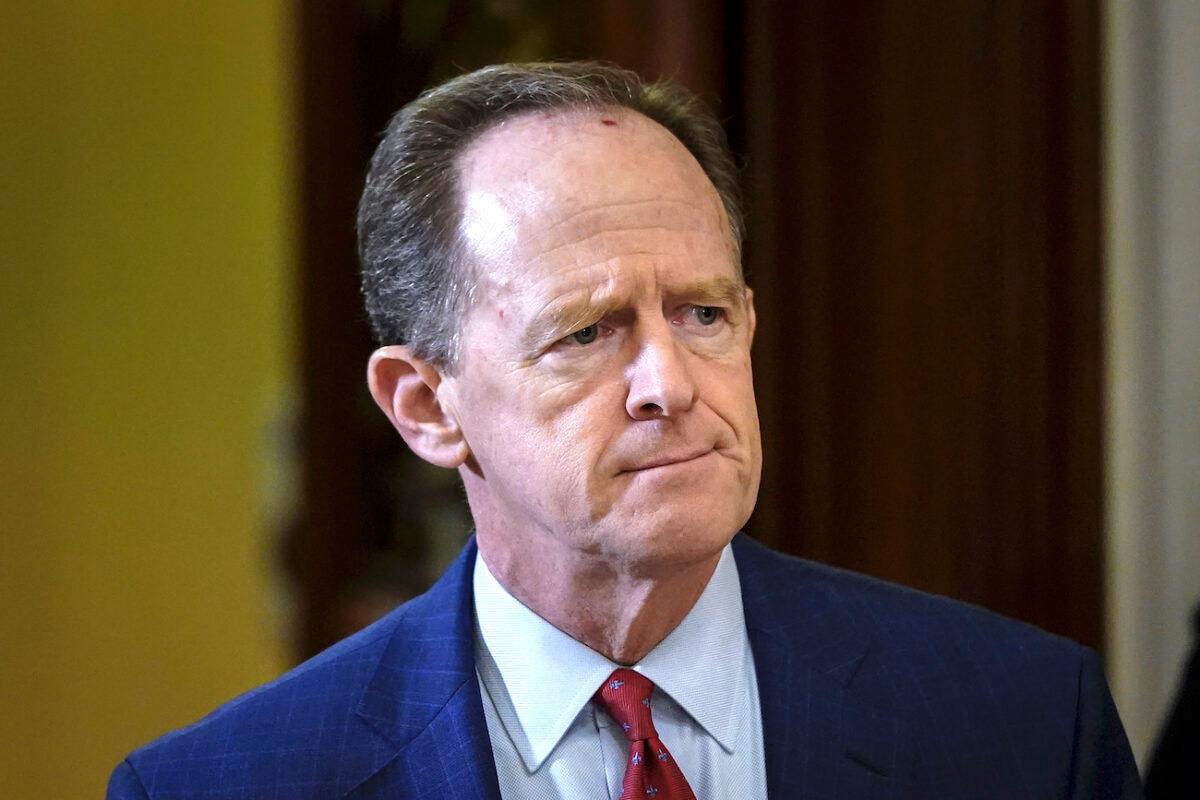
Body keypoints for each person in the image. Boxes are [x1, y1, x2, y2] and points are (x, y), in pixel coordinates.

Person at [108, 61, 1142, 799]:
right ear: (428, 407)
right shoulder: (222, 781)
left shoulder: (1026, 725)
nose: (671, 383)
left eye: (704, 313)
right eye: (590, 330)